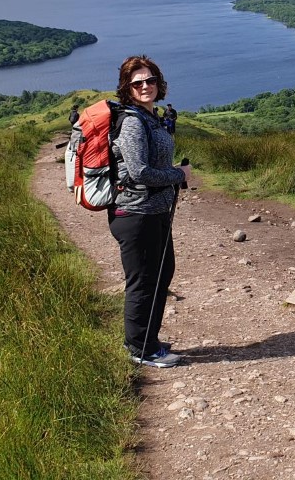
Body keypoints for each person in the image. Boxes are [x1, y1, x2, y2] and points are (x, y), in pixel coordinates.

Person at [109, 55, 192, 368]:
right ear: (127, 88)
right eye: (137, 82)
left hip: (153, 212)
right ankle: (140, 349)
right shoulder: (132, 123)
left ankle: (147, 340)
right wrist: (179, 175)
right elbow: (140, 172)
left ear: (159, 82)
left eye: (150, 80)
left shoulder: (151, 117)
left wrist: (171, 173)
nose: (145, 86)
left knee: (160, 274)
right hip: (135, 214)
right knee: (143, 282)